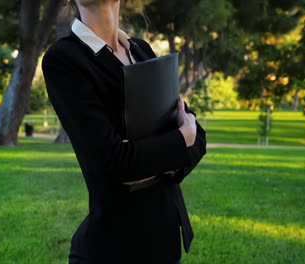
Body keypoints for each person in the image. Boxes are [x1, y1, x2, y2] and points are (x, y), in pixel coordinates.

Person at [41, 0, 207, 263]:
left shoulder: (142, 50)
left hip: (164, 239)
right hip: (112, 248)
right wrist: (179, 140)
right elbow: (113, 163)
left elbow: (198, 136)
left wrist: (159, 158)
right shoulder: (64, 60)